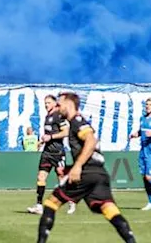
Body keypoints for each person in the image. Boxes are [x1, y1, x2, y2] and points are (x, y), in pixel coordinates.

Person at [35, 91, 137, 243]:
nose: (57, 107)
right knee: (108, 209)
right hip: (99, 173)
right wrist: (70, 167)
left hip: (86, 172)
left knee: (51, 203)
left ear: (69, 104)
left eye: (59, 104)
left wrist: (77, 167)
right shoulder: (77, 122)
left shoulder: (76, 121)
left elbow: (91, 141)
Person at [28, 95, 74, 215]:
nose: (46, 105)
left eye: (48, 103)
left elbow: (66, 132)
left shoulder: (59, 115)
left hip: (58, 152)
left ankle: (71, 201)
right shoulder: (47, 117)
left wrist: (51, 137)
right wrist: (41, 141)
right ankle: (39, 205)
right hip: (47, 152)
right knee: (41, 177)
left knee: (61, 177)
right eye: (45, 103)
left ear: (55, 103)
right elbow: (48, 134)